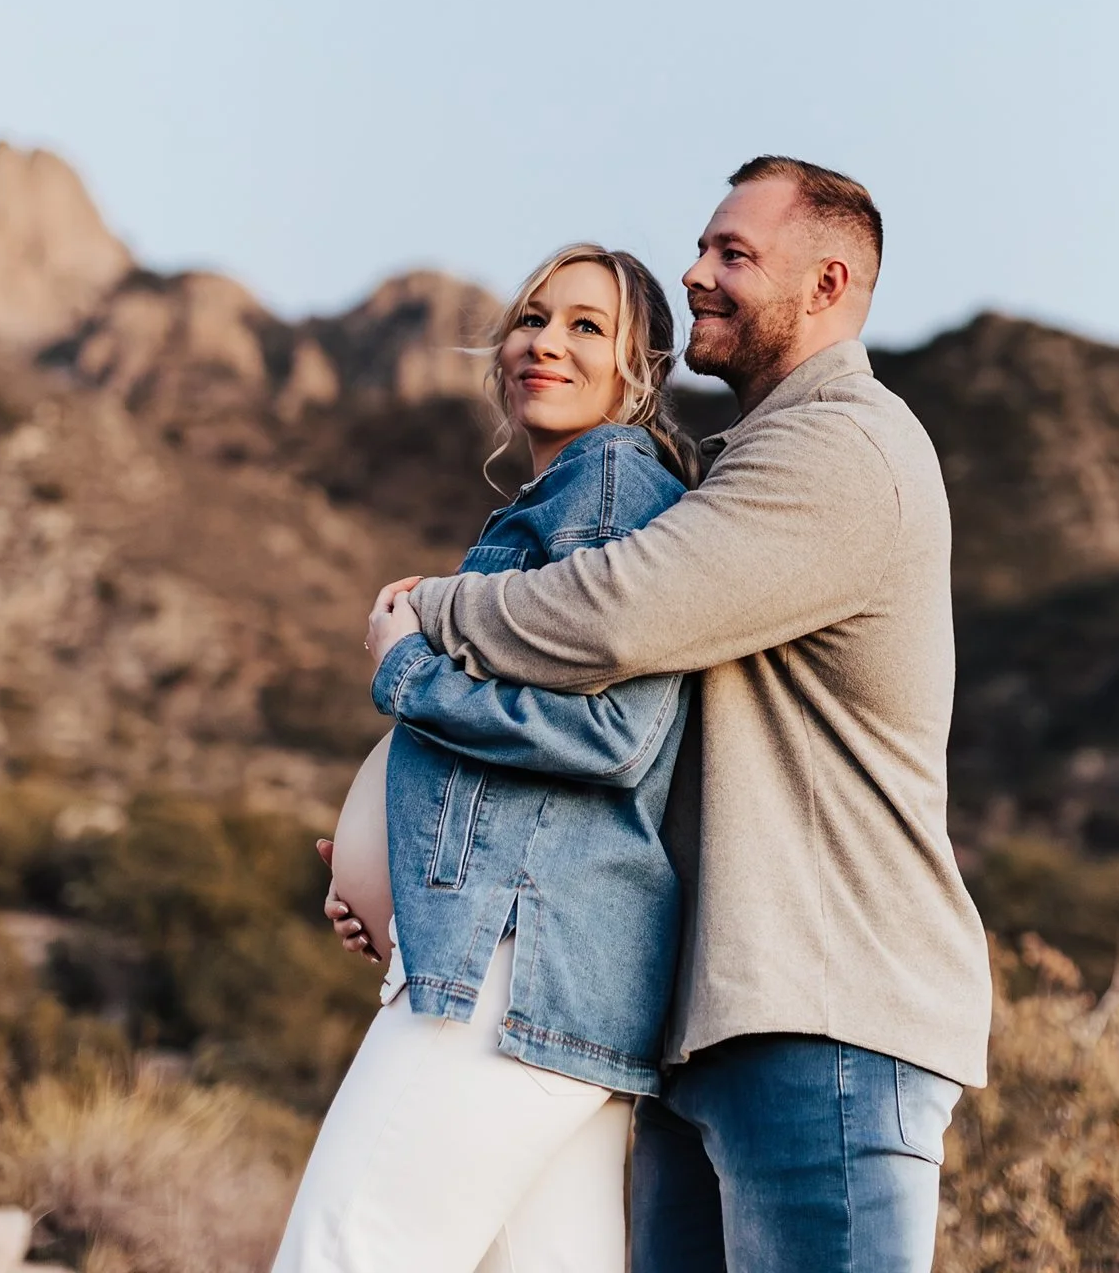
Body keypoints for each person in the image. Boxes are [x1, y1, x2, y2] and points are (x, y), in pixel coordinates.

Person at [374, 155, 993, 1273]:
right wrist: (386, 864)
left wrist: (425, 613)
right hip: (712, 1020)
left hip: (827, 1017)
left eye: (733, 253)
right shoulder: (737, 464)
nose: (696, 272)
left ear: (828, 283)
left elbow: (614, 615)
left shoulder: (842, 446)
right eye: (703, 246)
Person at [273, 244, 697, 1273]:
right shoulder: (567, 497)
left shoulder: (607, 484)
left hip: (513, 968)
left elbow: (611, 735)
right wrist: (389, 870)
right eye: (532, 318)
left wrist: (405, 669)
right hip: (537, 973)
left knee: (345, 1248)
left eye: (587, 326)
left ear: (641, 369)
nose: (545, 342)